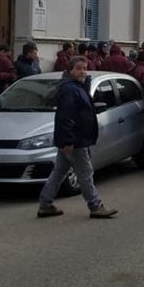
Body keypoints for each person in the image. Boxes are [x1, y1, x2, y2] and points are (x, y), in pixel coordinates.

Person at [37, 56, 118, 219]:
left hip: (75, 138)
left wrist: (86, 82)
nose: (83, 71)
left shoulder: (76, 87)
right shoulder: (69, 89)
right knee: (85, 172)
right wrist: (68, 140)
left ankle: (45, 204)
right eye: (79, 68)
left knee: (59, 171)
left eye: (85, 68)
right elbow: (65, 117)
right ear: (70, 70)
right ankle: (95, 206)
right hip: (75, 140)